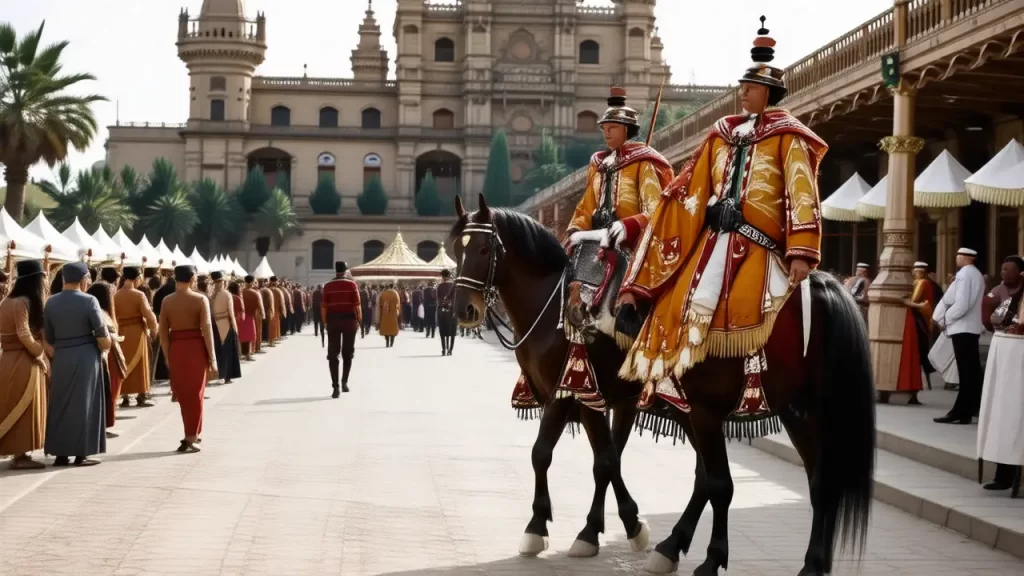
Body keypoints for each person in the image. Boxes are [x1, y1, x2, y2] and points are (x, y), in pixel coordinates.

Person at [616, 18, 827, 415]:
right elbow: (689, 190)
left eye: (750, 87)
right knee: (675, 298)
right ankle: (668, 378)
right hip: (715, 239)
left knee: (726, 301)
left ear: (768, 92)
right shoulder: (721, 136)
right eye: (742, 86)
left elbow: (802, 191)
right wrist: (692, 209)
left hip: (761, 243)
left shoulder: (789, 136)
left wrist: (801, 250)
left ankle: (751, 381)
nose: (742, 92)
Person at [44, 261, 111, 467]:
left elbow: (48, 337)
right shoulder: (90, 300)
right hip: (86, 356)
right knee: (85, 404)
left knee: (60, 405)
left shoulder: (51, 302)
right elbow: (102, 334)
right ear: (83, 279)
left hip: (62, 356)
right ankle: (82, 453)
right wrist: (107, 345)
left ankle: (60, 454)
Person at [158, 265, 218, 453]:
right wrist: (212, 357)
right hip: (196, 348)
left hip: (176, 348)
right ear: (192, 279)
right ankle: (191, 435)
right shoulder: (200, 299)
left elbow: (163, 331)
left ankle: (193, 433)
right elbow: (207, 328)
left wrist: (167, 355)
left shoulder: (167, 301)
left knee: (184, 395)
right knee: (196, 394)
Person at [978, 255, 1024, 491]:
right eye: (1002, 269)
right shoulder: (1000, 292)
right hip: (1005, 352)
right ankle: (1003, 475)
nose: (1004, 272)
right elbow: (992, 319)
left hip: (1018, 355)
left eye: (1009, 269)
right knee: (1001, 413)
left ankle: (1013, 476)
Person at [0, 260, 49, 469]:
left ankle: (18, 452)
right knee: (24, 408)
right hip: (23, 360)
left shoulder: (6, 301)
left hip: (7, 359)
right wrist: (40, 353)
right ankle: (20, 455)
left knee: (11, 405)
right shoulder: (21, 302)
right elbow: (24, 334)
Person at [932, 247, 986, 424]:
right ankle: (970, 408)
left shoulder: (965, 274)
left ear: (965, 258)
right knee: (971, 371)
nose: (956, 258)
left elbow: (962, 304)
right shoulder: (975, 274)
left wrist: (946, 318)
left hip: (962, 327)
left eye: (958, 256)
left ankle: (961, 411)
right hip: (969, 327)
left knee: (966, 372)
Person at [897, 262, 944, 403]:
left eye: (915, 271)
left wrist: (905, 300)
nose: (913, 273)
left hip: (920, 321)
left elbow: (914, 300)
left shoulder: (922, 282)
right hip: (921, 319)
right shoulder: (923, 282)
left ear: (921, 271)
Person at [114, 266, 159, 408]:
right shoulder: (139, 295)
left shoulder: (115, 295)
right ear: (137, 278)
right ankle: (141, 395)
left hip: (121, 331)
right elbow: (149, 315)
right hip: (137, 331)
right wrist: (154, 329)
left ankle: (125, 396)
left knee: (123, 362)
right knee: (140, 364)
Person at [87, 282, 127, 438]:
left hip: (108, 354)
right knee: (109, 390)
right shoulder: (100, 313)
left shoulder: (98, 312)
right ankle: (102, 425)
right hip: (107, 355)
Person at [321, 261, 361, 397]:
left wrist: (325, 322)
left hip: (333, 321)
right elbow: (357, 305)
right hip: (349, 322)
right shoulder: (352, 285)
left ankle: (335, 387)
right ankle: (344, 382)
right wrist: (359, 321)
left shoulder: (328, 286)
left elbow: (324, 306)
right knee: (347, 354)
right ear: (346, 271)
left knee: (333, 355)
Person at [210, 271, 241, 384]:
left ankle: (219, 374)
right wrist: (235, 328)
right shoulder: (227, 295)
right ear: (222, 282)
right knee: (228, 352)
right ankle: (227, 376)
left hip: (215, 325)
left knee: (218, 350)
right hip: (226, 325)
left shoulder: (211, 295)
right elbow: (231, 313)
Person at [436, 269, 457, 356]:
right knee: (452, 332)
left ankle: (443, 349)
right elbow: (455, 298)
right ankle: (450, 350)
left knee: (443, 331)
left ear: (442, 276)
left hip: (442, 310)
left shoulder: (439, 286)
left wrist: (444, 303)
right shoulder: (454, 286)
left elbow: (438, 299)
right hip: (452, 310)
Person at [378, 283, 401, 347]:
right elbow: (398, 304)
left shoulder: (383, 294)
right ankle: (392, 342)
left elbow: (380, 304)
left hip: (385, 314)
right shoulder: (395, 293)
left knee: (386, 328)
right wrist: (398, 312)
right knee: (393, 328)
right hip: (393, 314)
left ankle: (387, 342)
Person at [260, 279, 277, 346]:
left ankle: (263, 341)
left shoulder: (259, 291)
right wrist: (272, 311)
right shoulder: (268, 291)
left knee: (261, 327)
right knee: (269, 327)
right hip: (267, 311)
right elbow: (271, 303)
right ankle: (270, 341)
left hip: (260, 312)